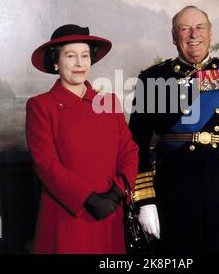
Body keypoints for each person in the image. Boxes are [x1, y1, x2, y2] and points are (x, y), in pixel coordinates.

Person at [129, 6, 219, 254]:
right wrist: (145, 201)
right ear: (174, 36)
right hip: (173, 192)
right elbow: (135, 144)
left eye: (200, 27)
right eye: (184, 29)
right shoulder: (153, 79)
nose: (193, 34)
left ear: (210, 34)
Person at [26, 24, 138, 254]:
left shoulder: (108, 102)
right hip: (66, 217)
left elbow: (129, 151)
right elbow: (46, 164)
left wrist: (117, 193)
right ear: (56, 61)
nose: (80, 63)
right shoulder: (40, 106)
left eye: (85, 55)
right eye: (71, 56)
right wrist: (88, 199)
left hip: (109, 213)